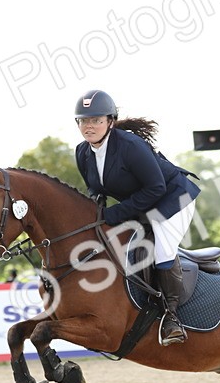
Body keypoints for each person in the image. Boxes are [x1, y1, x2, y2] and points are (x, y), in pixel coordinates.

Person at [73, 89, 201, 346]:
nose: (89, 126)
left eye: (96, 120)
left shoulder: (130, 145)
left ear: (110, 121)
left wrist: (114, 214)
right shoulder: (82, 152)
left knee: (163, 249)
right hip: (143, 204)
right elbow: (95, 189)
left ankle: (171, 317)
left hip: (175, 198)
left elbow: (156, 188)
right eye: (84, 121)